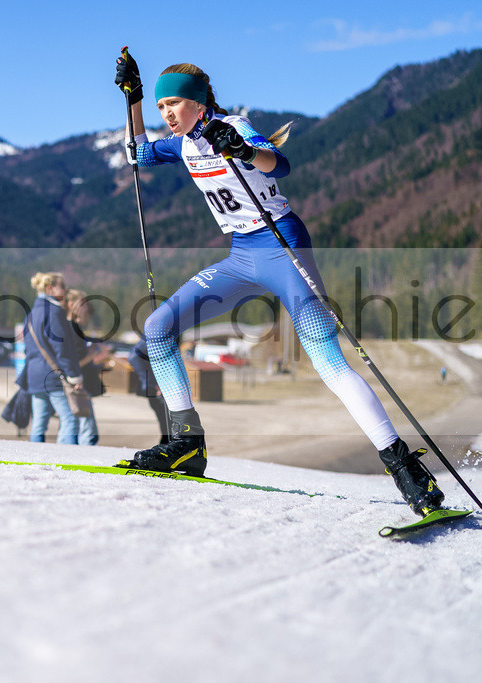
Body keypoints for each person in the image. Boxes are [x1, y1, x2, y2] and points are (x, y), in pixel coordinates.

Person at [113, 50, 444, 516]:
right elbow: (139, 153)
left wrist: (243, 149)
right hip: (241, 256)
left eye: (173, 104)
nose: (166, 113)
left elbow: (279, 165)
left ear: (199, 103)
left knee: (327, 358)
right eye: (161, 106)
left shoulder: (233, 125)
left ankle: (405, 468)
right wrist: (133, 97)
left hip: (283, 246)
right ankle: (185, 444)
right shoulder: (182, 144)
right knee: (158, 327)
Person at [23, 272, 84, 445]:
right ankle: (66, 458)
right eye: (62, 286)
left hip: (34, 375)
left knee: (39, 422)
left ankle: (35, 457)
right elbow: (62, 349)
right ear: (49, 288)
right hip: (52, 375)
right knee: (70, 419)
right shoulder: (54, 312)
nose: (66, 290)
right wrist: (74, 376)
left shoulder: (31, 314)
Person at [66, 289, 108, 445]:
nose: (86, 308)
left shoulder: (69, 327)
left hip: (77, 383)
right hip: (78, 384)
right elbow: (75, 362)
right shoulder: (73, 328)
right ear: (71, 305)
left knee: (76, 427)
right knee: (87, 431)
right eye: (83, 304)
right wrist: (93, 353)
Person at [128, 338, 170, 445]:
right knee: (166, 419)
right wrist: (153, 384)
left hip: (161, 386)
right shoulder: (155, 336)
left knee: (168, 420)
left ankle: (167, 444)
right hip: (157, 388)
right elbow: (134, 357)